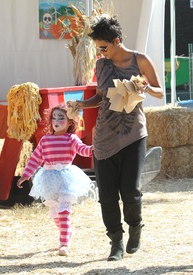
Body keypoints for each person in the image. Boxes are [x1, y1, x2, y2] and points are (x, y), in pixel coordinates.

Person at [73, 15, 164, 261]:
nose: (100, 53)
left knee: (131, 191)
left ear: (117, 40)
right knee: (107, 195)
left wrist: (145, 88)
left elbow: (160, 90)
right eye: (98, 49)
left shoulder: (140, 60)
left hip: (133, 133)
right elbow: (101, 97)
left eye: (103, 47)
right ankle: (116, 242)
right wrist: (82, 103)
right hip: (104, 137)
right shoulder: (101, 65)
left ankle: (135, 227)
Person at [17, 105, 93, 257]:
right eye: (54, 118)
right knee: (55, 214)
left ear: (70, 122)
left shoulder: (71, 138)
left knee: (64, 211)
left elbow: (82, 149)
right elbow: (35, 159)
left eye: (61, 118)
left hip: (66, 178)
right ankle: (67, 231)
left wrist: (94, 148)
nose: (56, 121)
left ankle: (63, 244)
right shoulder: (45, 140)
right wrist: (25, 175)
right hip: (49, 179)